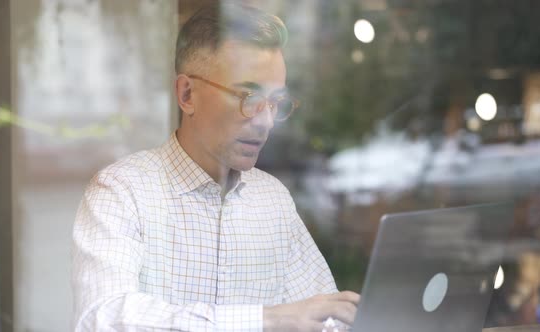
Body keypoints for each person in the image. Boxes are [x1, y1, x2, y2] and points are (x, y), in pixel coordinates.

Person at [72, 3, 359, 331]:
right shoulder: (122, 192)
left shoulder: (272, 200)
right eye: (248, 97)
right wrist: (266, 320)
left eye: (276, 102)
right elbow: (102, 318)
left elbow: (325, 318)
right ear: (187, 93)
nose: (265, 121)